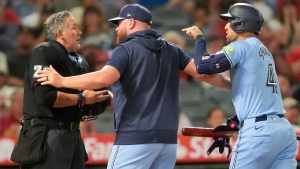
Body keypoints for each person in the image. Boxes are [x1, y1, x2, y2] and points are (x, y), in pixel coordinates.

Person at [36, 4, 231, 169]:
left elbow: (104, 78)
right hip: (167, 142)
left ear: (130, 22)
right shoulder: (172, 49)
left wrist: (61, 81)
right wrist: (233, 86)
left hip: (135, 136)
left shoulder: (125, 49)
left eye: (119, 23)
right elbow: (202, 73)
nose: (116, 28)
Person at [182, 3, 297, 169]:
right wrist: (234, 123)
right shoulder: (264, 51)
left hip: (258, 133)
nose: (226, 26)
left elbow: (203, 67)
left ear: (241, 23)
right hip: (284, 131)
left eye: (230, 21)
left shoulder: (241, 47)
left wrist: (200, 39)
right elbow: (256, 94)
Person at [10, 11, 111, 169]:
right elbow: (46, 97)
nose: (80, 32)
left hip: (73, 136)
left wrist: (99, 99)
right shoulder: (44, 51)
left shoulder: (79, 61)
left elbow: (88, 96)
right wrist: (82, 99)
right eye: (74, 28)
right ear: (60, 33)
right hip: (47, 138)